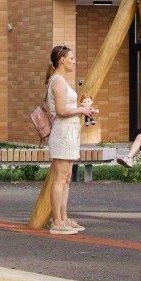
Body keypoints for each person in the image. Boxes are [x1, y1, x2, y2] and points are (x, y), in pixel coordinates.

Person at [44, 45, 98, 235]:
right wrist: (82, 110)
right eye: (71, 58)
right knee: (60, 178)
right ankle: (56, 221)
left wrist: (84, 110)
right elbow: (61, 111)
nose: (74, 62)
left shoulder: (61, 80)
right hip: (62, 133)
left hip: (69, 132)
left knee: (66, 178)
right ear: (62, 60)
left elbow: (66, 109)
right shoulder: (58, 81)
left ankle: (63, 218)